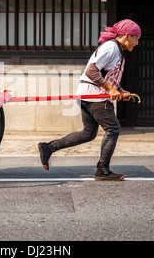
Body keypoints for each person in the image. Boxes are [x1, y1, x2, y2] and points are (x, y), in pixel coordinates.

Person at [38, 19, 141, 181]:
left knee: (88, 133)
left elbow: (106, 74)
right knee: (113, 129)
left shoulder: (117, 49)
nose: (137, 42)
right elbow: (91, 71)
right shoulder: (111, 48)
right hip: (95, 96)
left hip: (89, 94)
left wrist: (119, 90)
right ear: (127, 36)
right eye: (137, 38)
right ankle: (103, 171)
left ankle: (49, 147)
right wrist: (110, 89)